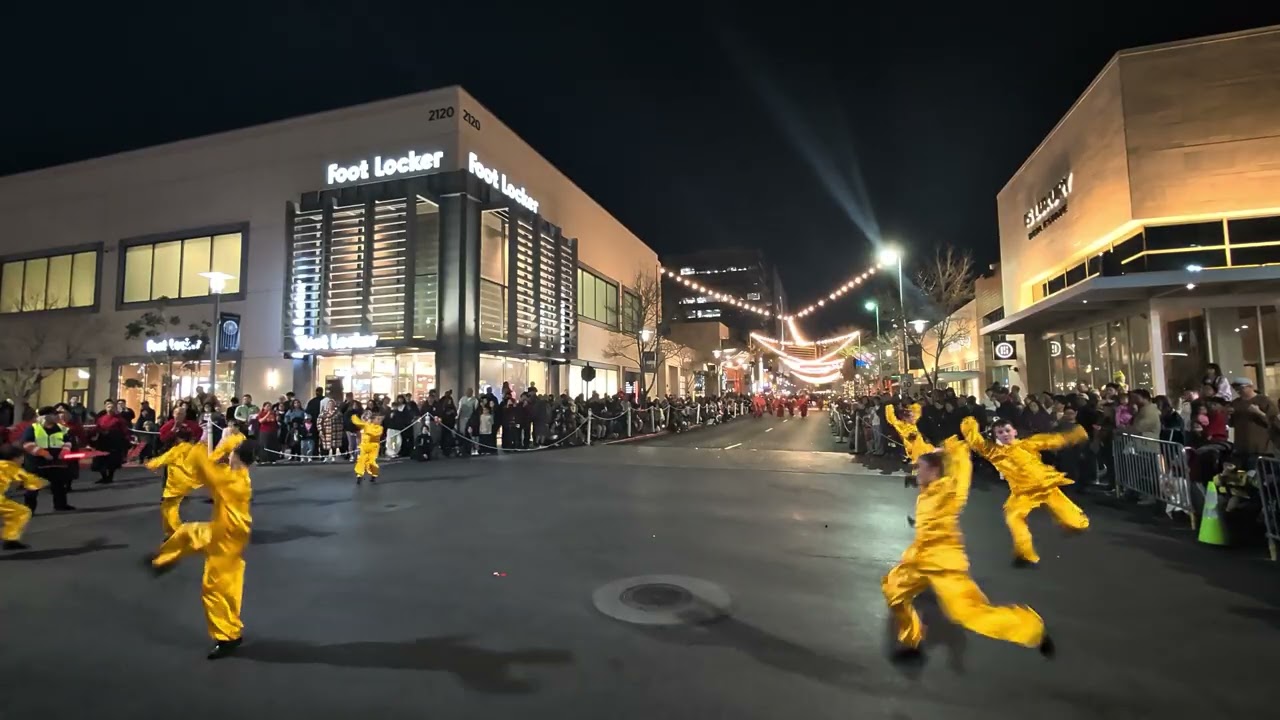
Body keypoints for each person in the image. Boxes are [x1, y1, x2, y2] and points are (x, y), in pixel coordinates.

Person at [882, 438, 1054, 658]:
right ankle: (911, 638)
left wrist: (957, 448)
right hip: (920, 559)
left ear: (934, 470)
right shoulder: (927, 491)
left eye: (921, 469)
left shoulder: (949, 491)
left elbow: (962, 472)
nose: (917, 473)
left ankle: (1032, 629)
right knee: (893, 591)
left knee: (969, 614)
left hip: (945, 564)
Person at [148, 440, 257, 659]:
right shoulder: (235, 473)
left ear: (236, 456)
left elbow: (208, 473)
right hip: (221, 532)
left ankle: (228, 637)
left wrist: (194, 450)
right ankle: (163, 560)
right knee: (188, 533)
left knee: (216, 590)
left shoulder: (234, 481)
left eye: (233, 453)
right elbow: (215, 467)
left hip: (227, 541)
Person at [960, 416, 1089, 567]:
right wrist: (969, 423)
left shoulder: (1027, 444)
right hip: (1022, 492)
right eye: (1000, 432)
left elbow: (1051, 440)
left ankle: (1078, 524)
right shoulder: (992, 451)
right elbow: (976, 441)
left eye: (1007, 430)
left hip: (1043, 484)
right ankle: (1025, 553)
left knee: (1063, 507)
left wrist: (1076, 435)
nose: (1005, 434)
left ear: (1014, 432)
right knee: (1014, 516)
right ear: (995, 436)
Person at [146, 426, 199, 537]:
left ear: (179, 438)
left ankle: (181, 532)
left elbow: (163, 459)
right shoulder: (192, 448)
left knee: (170, 509)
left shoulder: (178, 449)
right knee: (166, 507)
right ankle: (170, 533)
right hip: (185, 481)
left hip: (175, 483)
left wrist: (151, 464)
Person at [21, 406, 76, 512]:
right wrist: (43, 453)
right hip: (36, 463)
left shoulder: (61, 428)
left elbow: (68, 442)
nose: (56, 416)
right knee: (32, 488)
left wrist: (64, 451)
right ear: (45, 417)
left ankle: (60, 505)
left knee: (59, 485)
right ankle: (29, 509)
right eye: (54, 414)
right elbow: (27, 444)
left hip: (56, 462)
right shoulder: (33, 428)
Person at [1, 444, 46, 549]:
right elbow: (31, 482)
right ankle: (10, 539)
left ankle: (10, 539)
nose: (23, 460)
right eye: (22, 457)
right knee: (22, 512)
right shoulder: (12, 467)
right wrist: (44, 482)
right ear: (15, 458)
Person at [352, 411, 385, 484]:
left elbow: (375, 433)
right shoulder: (365, 425)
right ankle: (359, 475)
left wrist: (367, 429)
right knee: (361, 460)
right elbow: (358, 423)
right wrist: (354, 417)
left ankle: (374, 474)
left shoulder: (379, 428)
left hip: (373, 447)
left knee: (371, 462)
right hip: (364, 446)